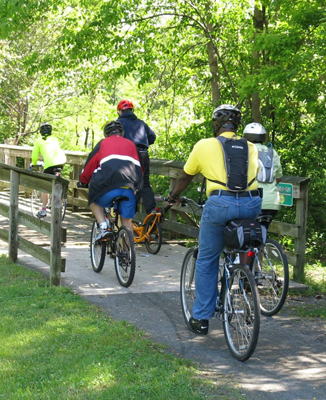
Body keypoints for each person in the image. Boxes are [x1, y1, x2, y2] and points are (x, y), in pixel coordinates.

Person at [168, 104, 262, 335]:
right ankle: (242, 275)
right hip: (251, 202)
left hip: (220, 203)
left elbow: (185, 176)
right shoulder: (250, 147)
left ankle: (201, 318)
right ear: (237, 126)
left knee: (207, 259)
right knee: (242, 245)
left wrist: (173, 196)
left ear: (216, 125)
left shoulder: (204, 145)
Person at [79, 120, 143, 241]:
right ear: (122, 133)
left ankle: (104, 227)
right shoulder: (131, 144)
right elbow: (141, 170)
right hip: (130, 188)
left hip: (108, 187)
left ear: (106, 134)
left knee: (94, 201)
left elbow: (89, 166)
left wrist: (83, 180)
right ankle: (128, 256)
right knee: (127, 222)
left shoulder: (103, 144)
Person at [116, 100, 157, 215]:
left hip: (128, 155)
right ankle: (152, 211)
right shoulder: (141, 123)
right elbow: (152, 137)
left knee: (125, 183)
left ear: (120, 111)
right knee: (144, 183)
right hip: (143, 154)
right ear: (131, 111)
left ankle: (127, 214)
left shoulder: (118, 123)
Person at [243, 122, 283, 229]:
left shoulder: (244, 151)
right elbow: (278, 177)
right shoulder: (272, 153)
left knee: (244, 232)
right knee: (262, 232)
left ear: (246, 138)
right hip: (272, 203)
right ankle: (262, 245)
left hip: (252, 200)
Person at [31, 122, 67, 218]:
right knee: (57, 180)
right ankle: (60, 199)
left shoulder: (39, 141)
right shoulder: (54, 139)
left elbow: (34, 156)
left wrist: (34, 164)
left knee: (45, 187)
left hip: (50, 164)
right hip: (61, 161)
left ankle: (43, 209)